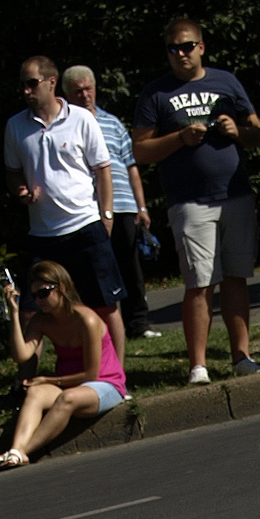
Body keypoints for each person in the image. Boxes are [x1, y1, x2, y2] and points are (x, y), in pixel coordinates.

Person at [133, 18, 260, 386]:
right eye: (174, 48)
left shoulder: (226, 81)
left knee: (237, 276)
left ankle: (242, 355)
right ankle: (199, 366)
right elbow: (140, 149)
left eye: (188, 46)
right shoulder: (156, 93)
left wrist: (237, 131)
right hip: (189, 201)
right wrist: (179, 138)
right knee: (199, 281)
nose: (181, 54)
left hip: (234, 193)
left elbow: (257, 133)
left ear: (202, 47)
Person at [4, 56, 128, 367]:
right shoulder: (16, 126)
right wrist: (20, 191)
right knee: (33, 309)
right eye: (23, 85)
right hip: (43, 233)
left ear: (51, 82)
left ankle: (117, 377)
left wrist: (107, 215)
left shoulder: (81, 119)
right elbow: (13, 171)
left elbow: (103, 170)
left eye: (32, 83)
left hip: (85, 225)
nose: (27, 91)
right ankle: (27, 378)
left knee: (105, 305)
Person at [0, 261, 126, 472]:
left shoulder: (86, 319)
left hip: (104, 384)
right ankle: (16, 450)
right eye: (34, 296)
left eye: (43, 293)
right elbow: (21, 355)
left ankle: (20, 453)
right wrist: (14, 314)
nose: (39, 300)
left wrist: (49, 380)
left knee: (66, 398)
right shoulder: (41, 321)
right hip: (70, 385)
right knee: (34, 393)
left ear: (61, 287)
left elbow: (91, 373)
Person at [61, 65, 160, 342]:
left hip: (124, 204)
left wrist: (141, 207)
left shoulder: (112, 123)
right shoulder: (67, 124)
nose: (84, 95)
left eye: (88, 89)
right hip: (89, 208)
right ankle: (99, 326)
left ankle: (138, 322)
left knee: (130, 266)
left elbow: (131, 166)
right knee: (100, 268)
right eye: (77, 91)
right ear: (67, 94)